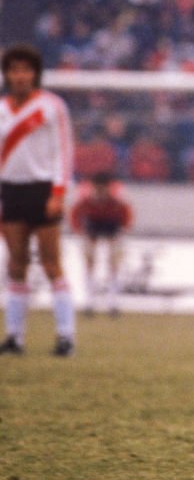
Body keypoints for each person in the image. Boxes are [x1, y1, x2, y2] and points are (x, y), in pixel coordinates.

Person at [0, 44, 76, 357]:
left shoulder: (51, 106)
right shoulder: (2, 108)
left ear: (35, 74)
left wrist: (58, 192)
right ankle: (15, 336)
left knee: (50, 263)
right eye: (14, 70)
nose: (20, 76)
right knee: (16, 263)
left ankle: (65, 336)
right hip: (11, 191)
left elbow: (64, 150)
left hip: (42, 191)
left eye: (25, 70)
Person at [70, 171, 133, 317]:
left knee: (114, 262)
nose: (100, 192)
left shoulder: (119, 195)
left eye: (103, 188)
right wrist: (78, 229)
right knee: (89, 261)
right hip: (92, 224)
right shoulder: (85, 195)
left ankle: (113, 302)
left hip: (113, 224)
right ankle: (89, 302)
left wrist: (124, 228)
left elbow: (127, 212)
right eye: (97, 188)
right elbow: (75, 212)